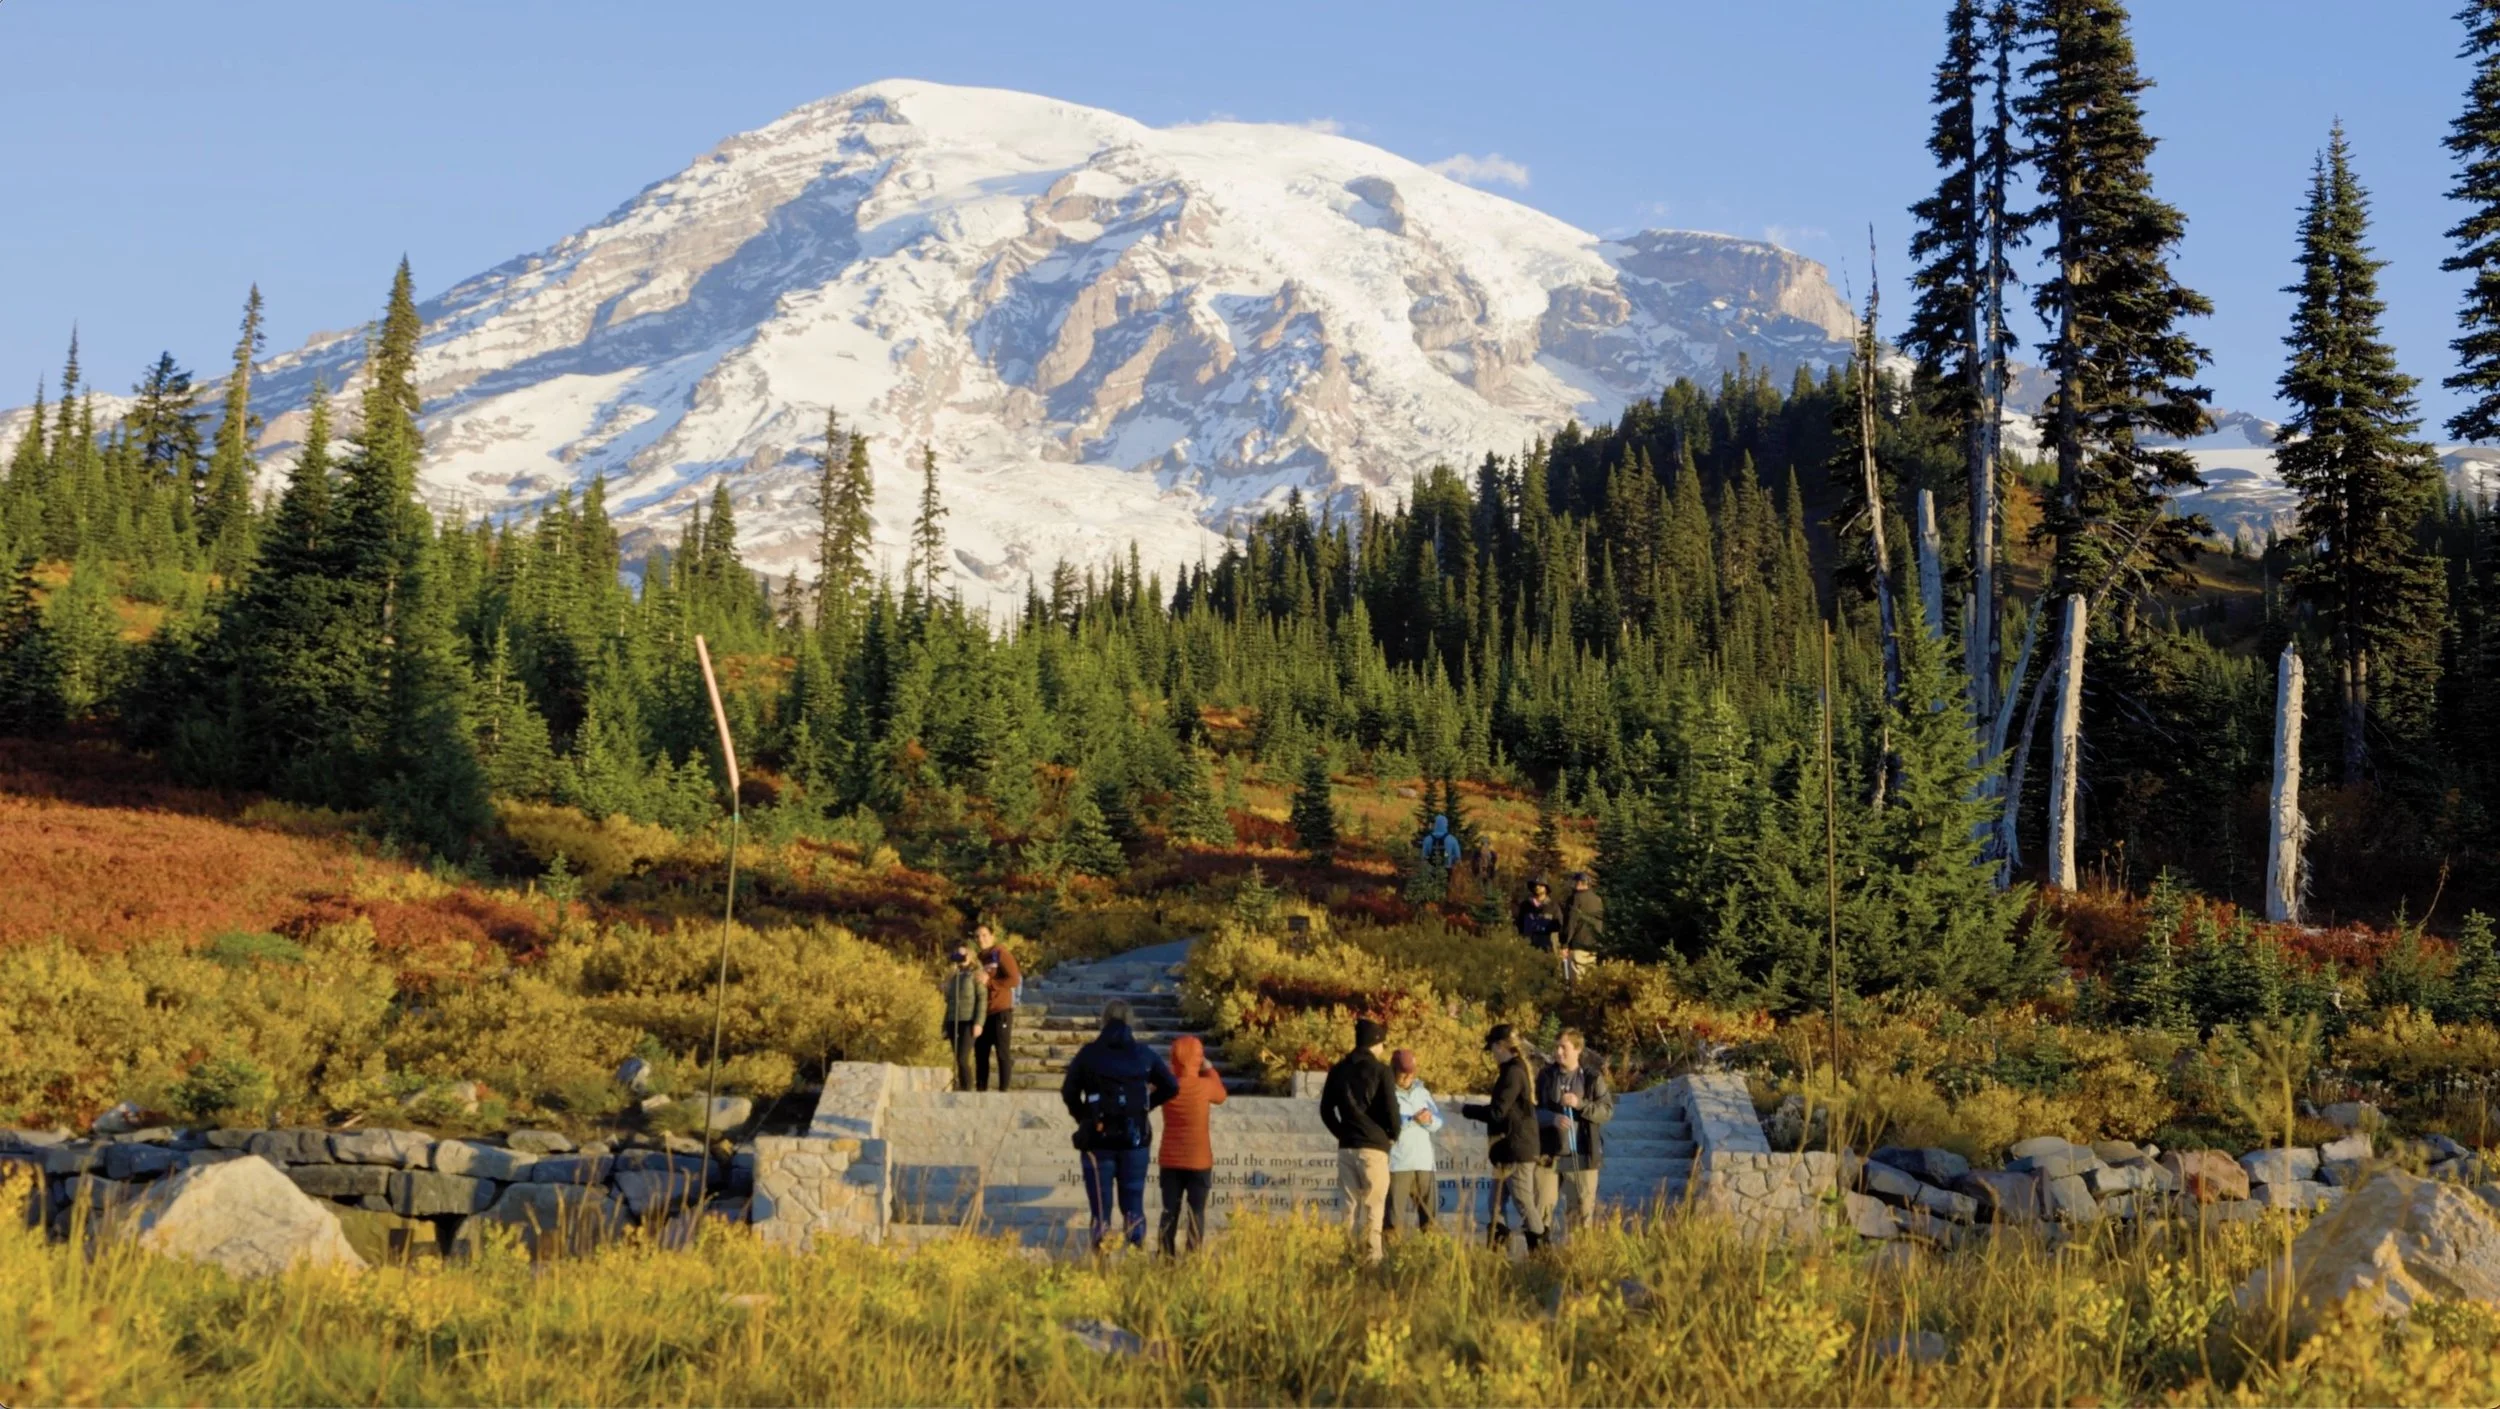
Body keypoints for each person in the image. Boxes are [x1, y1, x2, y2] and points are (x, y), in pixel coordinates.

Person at [1062, 999, 1179, 1253]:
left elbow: (1068, 1091)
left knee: (1100, 1208)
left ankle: (1100, 1256)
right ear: (1130, 1022)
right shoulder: (1144, 1054)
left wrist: (1084, 1117)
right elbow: (1172, 1086)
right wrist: (1147, 1106)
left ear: (1103, 1021)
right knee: (1133, 1202)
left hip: (1097, 1139)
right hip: (1135, 1139)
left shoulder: (1089, 1054)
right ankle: (1134, 1252)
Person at [1317, 1017, 1399, 1264]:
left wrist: (1341, 1133)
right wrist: (1392, 1136)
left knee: (1349, 1203)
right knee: (1374, 1204)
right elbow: (1391, 1111)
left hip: (1347, 1145)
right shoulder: (1381, 1071)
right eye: (1382, 1043)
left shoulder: (1338, 1069)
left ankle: (1348, 1253)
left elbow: (1325, 1110)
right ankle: (1373, 1257)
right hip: (1374, 1147)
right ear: (1376, 1042)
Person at [1462, 1023, 1546, 1253]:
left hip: (1515, 1149)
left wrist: (1465, 1109)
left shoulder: (1512, 1072)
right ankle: (1498, 1251)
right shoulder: (1515, 1070)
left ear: (1501, 1046)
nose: (1492, 1054)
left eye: (1493, 1048)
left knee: (1523, 1201)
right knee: (1495, 1203)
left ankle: (1541, 1252)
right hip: (1507, 1149)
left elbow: (1498, 1112)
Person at [1532, 1028, 1613, 1244]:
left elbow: (1606, 1111)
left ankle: (1576, 1260)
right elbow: (1532, 1112)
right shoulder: (1546, 1076)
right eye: (1556, 1047)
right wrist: (1552, 1118)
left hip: (1582, 1155)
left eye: (1564, 1047)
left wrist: (1580, 1104)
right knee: (1541, 1210)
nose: (1558, 1052)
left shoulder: (1591, 1078)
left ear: (1577, 1049)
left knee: (1580, 1212)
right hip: (1548, 1154)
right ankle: (1539, 1259)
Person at [1155, 1033, 1229, 1255]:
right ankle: (1193, 1256)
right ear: (1198, 1057)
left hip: (1170, 1159)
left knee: (1170, 1211)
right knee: (1196, 1211)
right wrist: (1209, 1068)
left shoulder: (1167, 1087)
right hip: (1199, 1159)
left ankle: (1165, 1257)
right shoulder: (1205, 1086)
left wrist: (1173, 1070)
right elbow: (1221, 1095)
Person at [1385, 1049, 1443, 1236]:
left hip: (1424, 1163)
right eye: (1403, 1072)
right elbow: (1386, 1125)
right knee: (1393, 1220)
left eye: (1411, 1071)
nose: (1408, 1076)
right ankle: (1390, 1256)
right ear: (1393, 1070)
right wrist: (1411, 1120)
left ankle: (1429, 1256)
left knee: (1430, 1220)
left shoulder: (1423, 1092)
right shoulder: (1386, 1093)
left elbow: (1438, 1122)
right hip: (1398, 1163)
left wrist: (1428, 1120)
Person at [975, 923, 1021, 1091]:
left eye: (984, 935)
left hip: (1001, 1010)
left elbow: (1014, 980)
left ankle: (1003, 1090)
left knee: (1002, 1052)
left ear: (993, 936)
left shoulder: (1001, 954)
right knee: (981, 1053)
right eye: (978, 936)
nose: (981, 939)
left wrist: (991, 983)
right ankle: (980, 1090)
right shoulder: (979, 959)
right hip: (982, 1013)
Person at [941, 947, 986, 1092]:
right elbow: (950, 1002)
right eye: (957, 954)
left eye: (962, 954)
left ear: (970, 956)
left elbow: (982, 999)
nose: (959, 957)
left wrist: (978, 1022)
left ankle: (967, 1089)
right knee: (957, 1059)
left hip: (968, 1020)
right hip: (953, 1020)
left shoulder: (976, 975)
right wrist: (945, 1024)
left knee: (962, 1057)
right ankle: (962, 1086)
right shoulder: (955, 976)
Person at [1561, 872, 1605, 984]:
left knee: (1577, 981)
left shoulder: (1576, 898)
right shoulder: (1598, 899)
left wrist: (1565, 943)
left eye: (1575, 882)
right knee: (1590, 980)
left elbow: (1571, 922)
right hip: (1593, 945)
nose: (1573, 885)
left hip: (1578, 944)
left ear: (1580, 883)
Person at [1514, 880, 1560, 954]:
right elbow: (1520, 925)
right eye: (1536, 885)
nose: (1537, 887)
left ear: (1546, 888)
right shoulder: (1525, 905)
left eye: (1541, 885)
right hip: (1528, 947)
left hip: (1546, 947)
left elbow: (1559, 926)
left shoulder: (1553, 906)